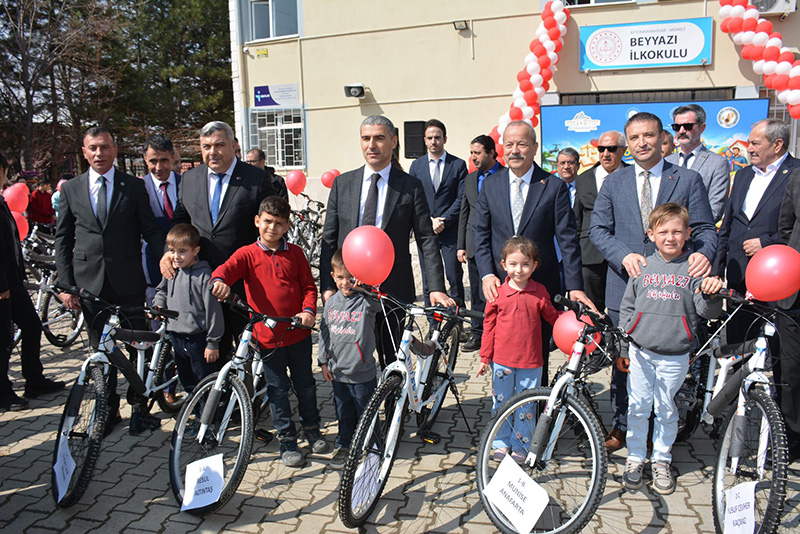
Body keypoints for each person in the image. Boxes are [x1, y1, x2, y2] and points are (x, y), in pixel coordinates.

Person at [589, 111, 716, 453]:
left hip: (673, 295)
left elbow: (704, 228)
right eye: (634, 138)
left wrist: (703, 254)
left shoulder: (687, 180)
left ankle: (662, 434)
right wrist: (622, 255)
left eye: (648, 136)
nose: (642, 143)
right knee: (623, 363)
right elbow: (598, 229)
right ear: (627, 144)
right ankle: (621, 426)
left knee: (669, 368)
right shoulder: (614, 181)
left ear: (663, 139)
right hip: (625, 289)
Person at [55, 126, 165, 435]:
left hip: (128, 281)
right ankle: (108, 410)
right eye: (93, 148)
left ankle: (140, 410)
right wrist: (66, 286)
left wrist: (166, 256)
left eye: (105, 147)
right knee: (100, 352)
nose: (99, 153)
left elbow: (150, 229)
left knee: (137, 347)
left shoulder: (133, 186)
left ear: (115, 151)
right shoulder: (71, 189)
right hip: (90, 285)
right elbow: (63, 241)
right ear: (84, 152)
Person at [319, 115, 452, 367]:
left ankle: (394, 406)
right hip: (350, 291)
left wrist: (435, 286)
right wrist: (328, 285)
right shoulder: (342, 184)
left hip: (392, 290)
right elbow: (329, 239)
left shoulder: (410, 187)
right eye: (366, 138)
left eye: (379, 138)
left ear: (393, 141)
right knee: (351, 360)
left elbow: (426, 239)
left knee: (392, 360)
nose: (372, 145)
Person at [473, 120, 592, 385]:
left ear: (535, 147)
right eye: (509, 144)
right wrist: (486, 275)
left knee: (537, 355)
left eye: (522, 144)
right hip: (500, 289)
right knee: (501, 351)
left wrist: (575, 286)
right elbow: (479, 234)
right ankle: (503, 412)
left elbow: (568, 240)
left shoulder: (553, 186)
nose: (515, 150)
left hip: (539, 289)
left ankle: (536, 415)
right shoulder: (491, 186)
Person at [210, 196, 324, 467]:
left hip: (298, 333)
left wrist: (309, 310)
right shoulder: (247, 254)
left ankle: (312, 429)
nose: (272, 228)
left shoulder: (295, 253)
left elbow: (308, 286)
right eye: (268, 222)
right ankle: (287, 439)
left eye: (279, 224)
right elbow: (225, 270)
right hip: (267, 337)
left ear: (287, 227)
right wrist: (218, 281)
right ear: (257, 221)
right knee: (277, 389)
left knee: (305, 384)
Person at [619, 203, 722, 494]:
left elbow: (706, 312)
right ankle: (636, 457)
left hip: (675, 354)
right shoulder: (642, 267)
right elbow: (628, 306)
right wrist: (629, 339)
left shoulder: (694, 269)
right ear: (651, 234)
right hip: (641, 351)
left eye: (677, 231)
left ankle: (661, 459)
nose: (670, 237)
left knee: (666, 409)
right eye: (663, 231)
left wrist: (711, 292)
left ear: (688, 234)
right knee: (638, 406)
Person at [163, 121, 279, 359]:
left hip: (244, 281)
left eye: (219, 145)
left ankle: (254, 393)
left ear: (234, 146)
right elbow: (180, 221)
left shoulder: (256, 179)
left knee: (251, 347)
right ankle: (221, 395)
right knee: (214, 348)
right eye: (206, 146)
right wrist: (169, 250)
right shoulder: (189, 179)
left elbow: (271, 228)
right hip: (202, 282)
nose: (212, 152)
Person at [711, 118, 798, 344]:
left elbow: (795, 228)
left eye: (755, 144)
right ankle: (739, 380)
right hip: (739, 275)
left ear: (777, 145)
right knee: (738, 342)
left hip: (779, 276)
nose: (749, 149)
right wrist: (717, 268)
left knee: (780, 344)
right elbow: (728, 225)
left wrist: (767, 244)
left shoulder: (797, 174)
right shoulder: (743, 175)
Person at [476, 236, 560, 461]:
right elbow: (488, 326)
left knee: (527, 407)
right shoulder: (497, 293)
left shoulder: (540, 292)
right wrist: (485, 358)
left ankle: (521, 447)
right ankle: (501, 443)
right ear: (503, 265)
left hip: (531, 363)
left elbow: (553, 317)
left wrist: (570, 322)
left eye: (525, 264)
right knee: (501, 404)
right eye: (513, 264)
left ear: (534, 265)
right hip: (502, 361)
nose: (519, 270)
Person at [0, 153, 64, 410]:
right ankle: (3, 393)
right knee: (3, 340)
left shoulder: (2, 201)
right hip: (2, 286)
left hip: (14, 280)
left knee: (32, 326)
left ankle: (34, 380)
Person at [318, 249, 381, 469]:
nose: (346, 283)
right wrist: (323, 361)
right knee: (343, 412)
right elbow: (324, 333)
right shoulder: (331, 303)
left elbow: (379, 302)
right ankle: (344, 444)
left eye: (350, 277)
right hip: (337, 373)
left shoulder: (365, 301)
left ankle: (373, 444)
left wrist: (366, 287)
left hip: (362, 372)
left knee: (366, 411)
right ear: (333, 276)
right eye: (340, 277)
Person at [153, 223, 222, 393]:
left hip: (197, 338)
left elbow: (213, 311)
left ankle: (208, 416)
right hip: (175, 335)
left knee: (203, 381)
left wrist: (213, 342)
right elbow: (162, 289)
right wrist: (158, 304)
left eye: (182, 252)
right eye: (172, 251)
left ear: (196, 251)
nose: (176, 257)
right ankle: (195, 410)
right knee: (187, 380)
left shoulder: (204, 275)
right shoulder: (173, 270)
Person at [409, 119, 468, 306]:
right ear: (424, 140)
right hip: (426, 231)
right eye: (430, 138)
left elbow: (462, 197)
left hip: (450, 231)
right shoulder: (416, 166)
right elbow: (412, 198)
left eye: (437, 137)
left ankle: (456, 322)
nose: (434, 141)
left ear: (445, 139)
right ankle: (434, 322)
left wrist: (444, 220)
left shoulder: (458, 165)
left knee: (454, 275)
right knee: (429, 279)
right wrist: (429, 220)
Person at [574, 131, 628, 309]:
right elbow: (577, 218)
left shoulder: (633, 176)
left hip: (624, 255)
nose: (606, 154)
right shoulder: (583, 179)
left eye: (611, 149)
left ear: (623, 150)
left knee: (622, 307)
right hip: (590, 256)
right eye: (602, 149)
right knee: (591, 309)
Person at [457, 135, 502, 352]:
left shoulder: (505, 176)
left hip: (501, 245)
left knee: (500, 293)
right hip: (475, 244)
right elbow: (464, 213)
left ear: (492, 153)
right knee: (477, 293)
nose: (473, 157)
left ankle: (500, 334)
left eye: (478, 153)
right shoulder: (470, 179)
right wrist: (461, 245)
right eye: (472, 152)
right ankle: (478, 334)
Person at [666, 104, 730, 222]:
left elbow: (715, 210)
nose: (681, 131)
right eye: (676, 127)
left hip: (696, 235)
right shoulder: (667, 162)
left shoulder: (717, 163)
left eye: (688, 126)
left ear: (702, 128)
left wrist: (680, 228)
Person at [141, 134, 181, 310]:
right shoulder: (138, 188)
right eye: (153, 161)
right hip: (153, 268)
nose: (158, 167)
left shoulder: (187, 183)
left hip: (186, 267)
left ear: (173, 157)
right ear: (145, 159)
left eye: (164, 160)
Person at [777, 167, 800, 464]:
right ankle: (792, 438)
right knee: (791, 370)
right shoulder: (796, 177)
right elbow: (785, 227)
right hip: (794, 289)